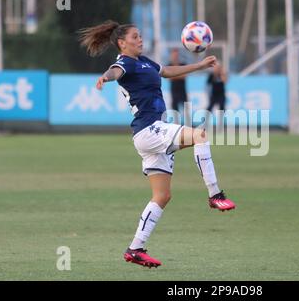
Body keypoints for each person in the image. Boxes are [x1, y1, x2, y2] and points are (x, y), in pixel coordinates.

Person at [78, 20, 236, 269]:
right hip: (149, 130)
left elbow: (167, 71)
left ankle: (135, 249)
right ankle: (215, 194)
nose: (140, 40)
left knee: (162, 196)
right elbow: (115, 71)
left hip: (148, 135)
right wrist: (105, 78)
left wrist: (200, 65)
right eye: (135, 37)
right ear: (122, 43)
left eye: (140, 36)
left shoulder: (145, 61)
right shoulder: (125, 63)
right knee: (200, 136)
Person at [168, 48, 189, 124]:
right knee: (175, 109)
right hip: (174, 91)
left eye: (176, 54)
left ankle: (189, 125)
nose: (175, 56)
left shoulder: (182, 65)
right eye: (173, 55)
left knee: (186, 109)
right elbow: (169, 78)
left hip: (182, 90)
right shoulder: (169, 65)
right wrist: (179, 74)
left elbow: (184, 76)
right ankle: (177, 126)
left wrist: (173, 74)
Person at [206, 62, 227, 129]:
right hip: (214, 95)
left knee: (222, 109)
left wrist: (221, 73)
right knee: (209, 109)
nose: (217, 69)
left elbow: (225, 81)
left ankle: (221, 125)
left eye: (218, 67)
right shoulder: (212, 75)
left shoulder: (222, 75)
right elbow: (208, 84)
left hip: (221, 95)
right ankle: (205, 123)